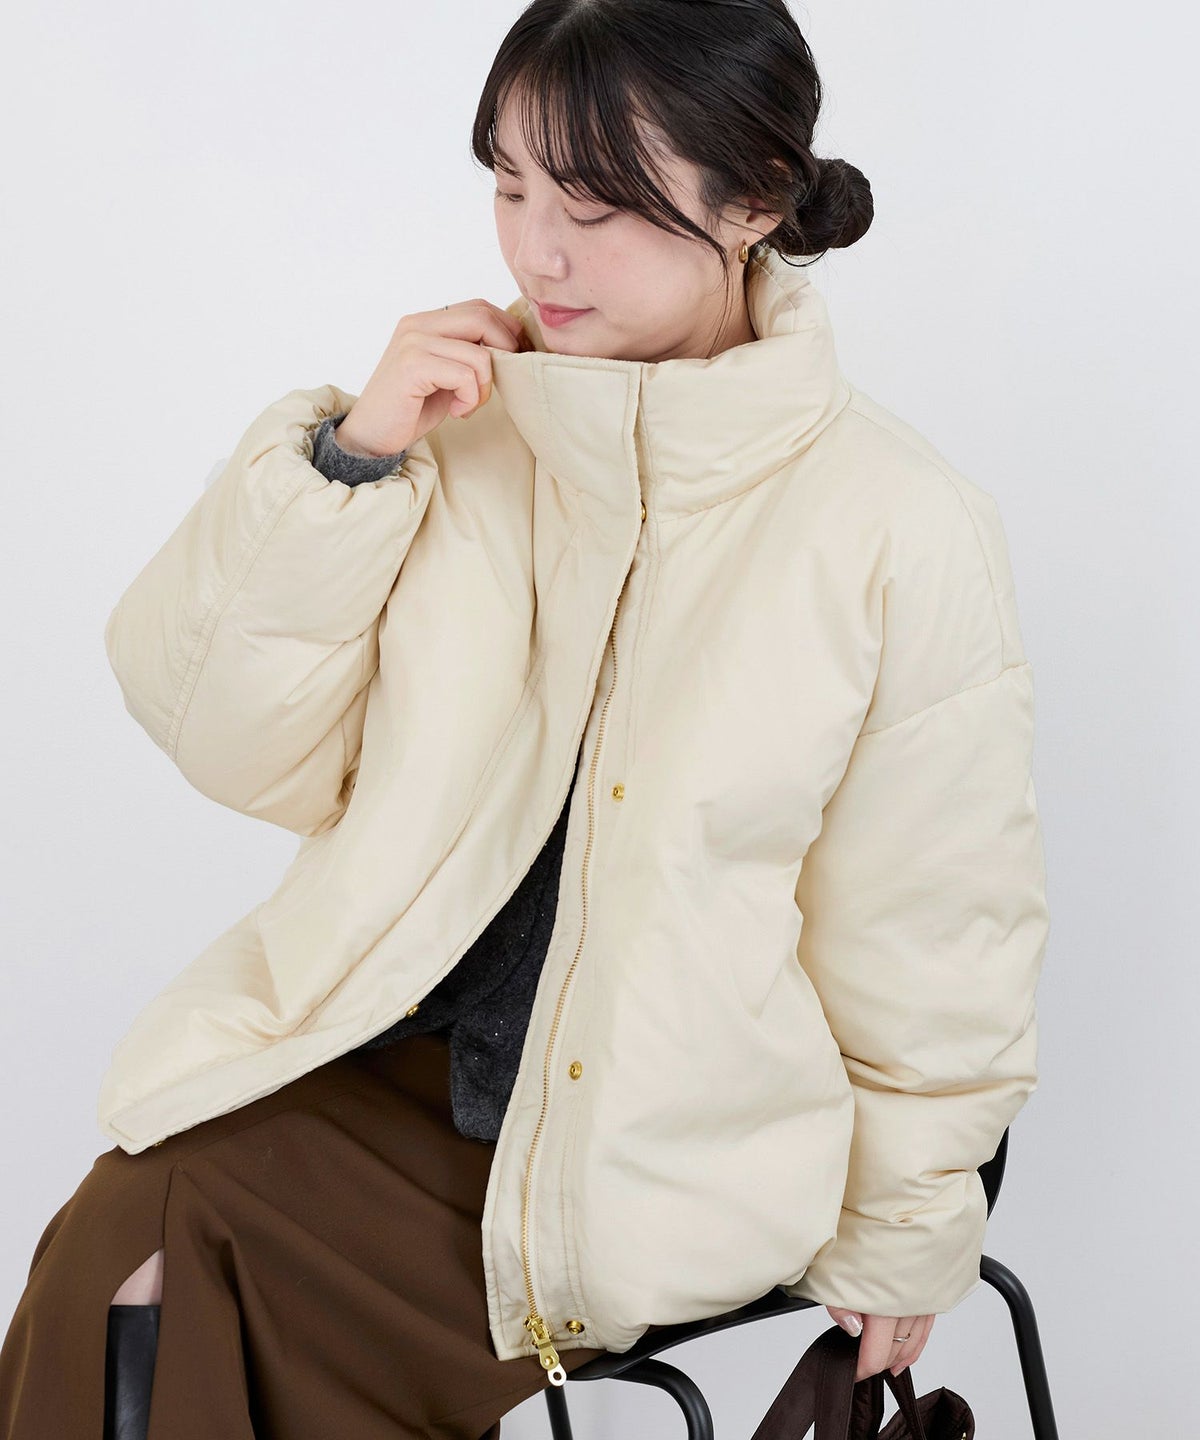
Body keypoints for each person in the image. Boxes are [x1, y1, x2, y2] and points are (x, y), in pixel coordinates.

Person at [0, 1, 1050, 1436]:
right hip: (396, 1070)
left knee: (177, 1255)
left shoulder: (897, 524)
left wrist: (910, 1225)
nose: (536, 253)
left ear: (753, 201)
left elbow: (936, 928)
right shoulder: (461, 433)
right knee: (133, 1238)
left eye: (595, 207)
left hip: (662, 1148)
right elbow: (229, 743)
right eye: (509, 188)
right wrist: (350, 466)